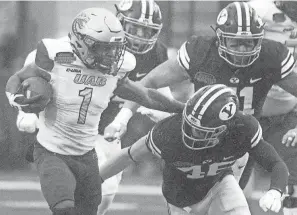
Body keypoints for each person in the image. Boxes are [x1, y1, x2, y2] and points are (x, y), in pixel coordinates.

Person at [5, 8, 184, 215]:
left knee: (98, 204)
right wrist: (22, 108)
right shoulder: (58, 55)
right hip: (54, 148)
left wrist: (184, 109)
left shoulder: (118, 67)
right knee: (65, 208)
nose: (111, 55)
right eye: (104, 49)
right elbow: (21, 77)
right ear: (82, 43)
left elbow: (147, 95)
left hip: (90, 147)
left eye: (114, 49)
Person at [104, 1, 297, 189]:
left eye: (249, 43)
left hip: (240, 139)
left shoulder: (272, 54)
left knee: (230, 200)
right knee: (182, 200)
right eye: (235, 42)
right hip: (195, 137)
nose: (242, 50)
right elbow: (149, 82)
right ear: (220, 37)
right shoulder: (201, 51)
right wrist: (122, 118)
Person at [100, 84, 289, 215]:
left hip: (219, 183)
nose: (191, 133)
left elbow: (276, 163)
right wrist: (96, 178)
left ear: (224, 130)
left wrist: (276, 190)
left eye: (201, 131)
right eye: (191, 125)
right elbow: (129, 155)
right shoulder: (170, 132)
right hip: (180, 197)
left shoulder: (242, 129)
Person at [97, 1, 194, 214]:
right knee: (92, 188)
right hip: (83, 120)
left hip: (109, 128)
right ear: (120, 21)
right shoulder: (99, 43)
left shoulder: (156, 51)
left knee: (106, 192)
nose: (141, 36)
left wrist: (182, 114)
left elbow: (157, 93)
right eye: (136, 28)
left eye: (147, 31)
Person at [246, 1, 297, 215]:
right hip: (247, 109)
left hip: (287, 108)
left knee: (292, 179)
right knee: (230, 179)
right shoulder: (257, 9)